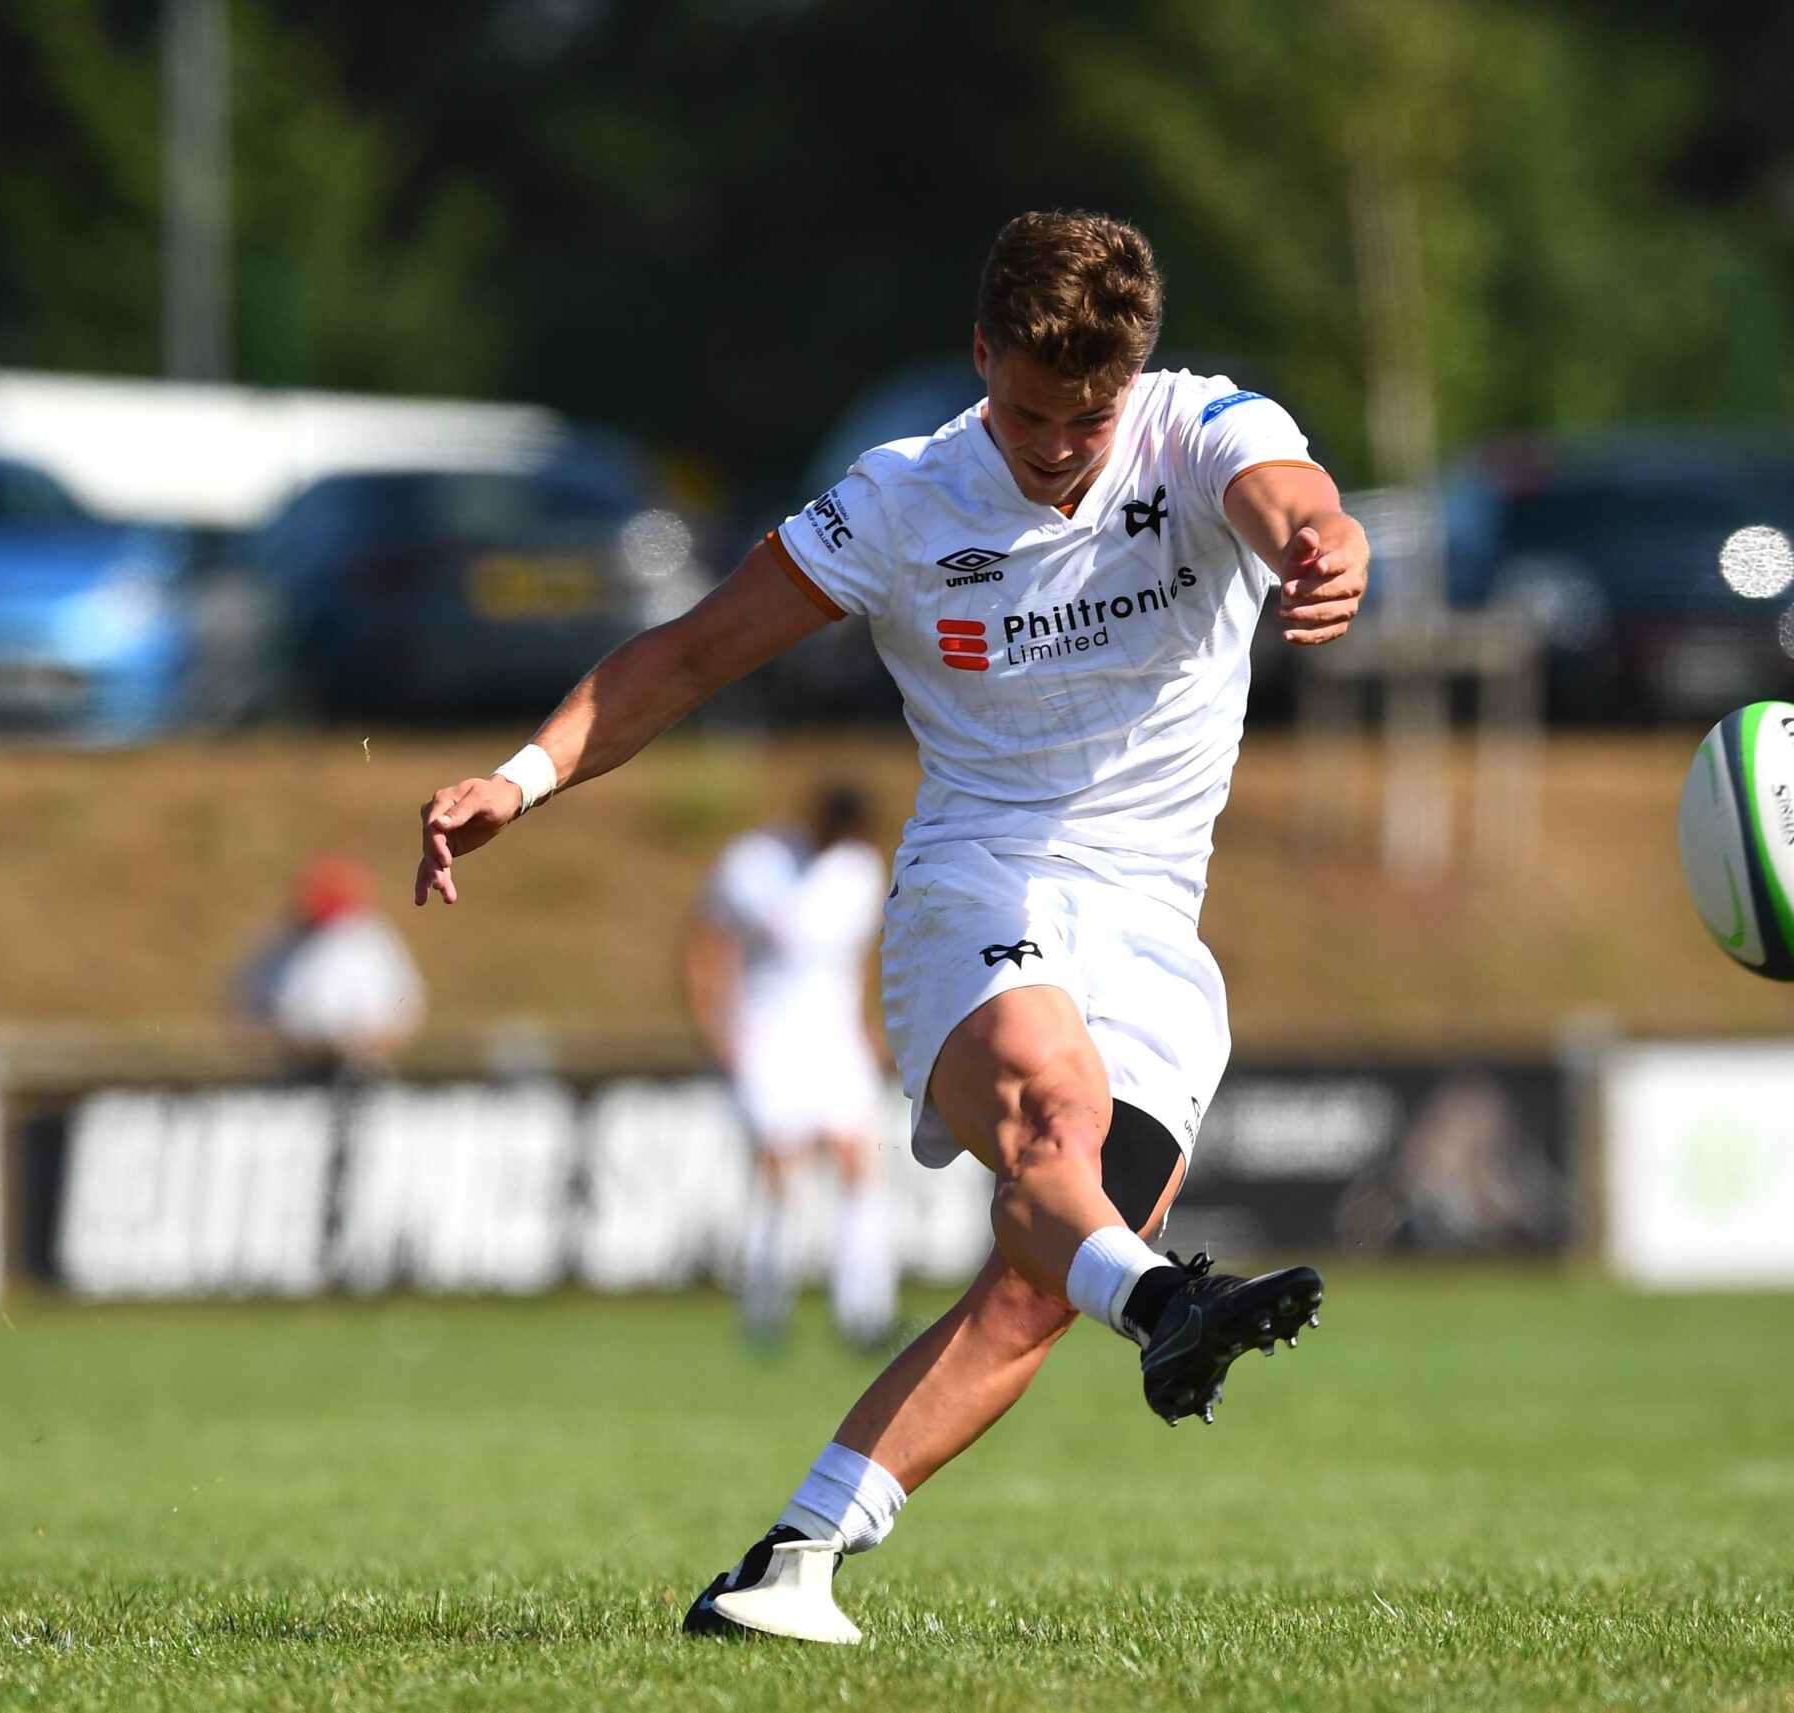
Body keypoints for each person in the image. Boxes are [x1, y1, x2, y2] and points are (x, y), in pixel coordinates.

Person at [413, 211, 1369, 1645]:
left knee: (1044, 1280)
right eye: (1031, 415)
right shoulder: (900, 499)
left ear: (1136, 380)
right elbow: (691, 651)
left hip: (1157, 932)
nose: (1060, 449)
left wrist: (1327, 549)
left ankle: (794, 1560)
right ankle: (1169, 1305)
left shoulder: (1201, 431)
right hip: (979, 887)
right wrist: (524, 775)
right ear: (981, 355)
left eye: (1090, 419)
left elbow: (1296, 501)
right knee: (1056, 1118)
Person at [684, 785, 897, 1349]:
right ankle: (766, 1307)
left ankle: (865, 1311)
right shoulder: (754, 864)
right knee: (782, 1168)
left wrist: (867, 1027)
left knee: (858, 1164)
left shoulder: (860, 871)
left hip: (835, 1039)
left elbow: (858, 957)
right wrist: (718, 1030)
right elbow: (707, 947)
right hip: (766, 1037)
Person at [231, 852, 425, 1079]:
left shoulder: (373, 937)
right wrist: (285, 1043)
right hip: (288, 1071)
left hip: (362, 1071)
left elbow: (407, 1011)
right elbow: (238, 1010)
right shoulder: (276, 941)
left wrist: (362, 1043)